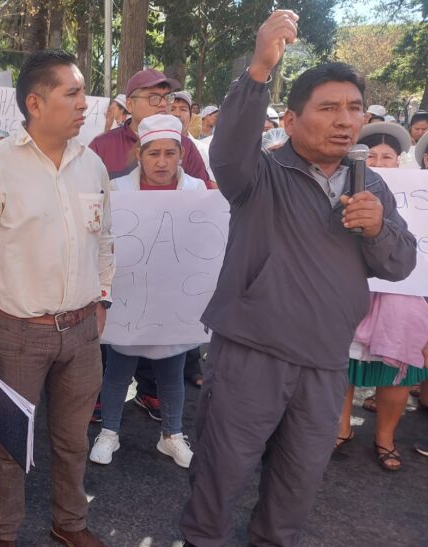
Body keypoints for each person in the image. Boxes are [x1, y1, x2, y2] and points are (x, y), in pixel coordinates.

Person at [180, 11, 417, 547]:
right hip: (250, 357)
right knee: (221, 475)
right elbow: (228, 147)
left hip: (325, 365)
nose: (345, 120)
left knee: (296, 486)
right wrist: (260, 67)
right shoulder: (259, 172)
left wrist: (377, 228)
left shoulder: (371, 185)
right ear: (289, 120)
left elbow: (400, 264)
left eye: (354, 108)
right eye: (328, 107)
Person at [0, 49, 114, 547]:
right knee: (8, 445)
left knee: (72, 442)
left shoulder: (92, 166)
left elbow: (104, 240)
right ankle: (4, 535)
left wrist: (102, 301)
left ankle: (69, 525)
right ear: (36, 103)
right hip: (17, 335)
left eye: (83, 91)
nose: (85, 103)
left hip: (83, 333)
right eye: (73, 92)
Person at [89, 114, 204, 469]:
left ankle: (171, 435)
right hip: (127, 293)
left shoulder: (197, 192)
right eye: (154, 154)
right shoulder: (118, 189)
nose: (162, 161)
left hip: (174, 298)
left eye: (170, 153)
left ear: (181, 155)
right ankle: (109, 431)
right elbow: (100, 238)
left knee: (171, 368)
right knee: (119, 367)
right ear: (140, 154)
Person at [334, 122, 428, 471]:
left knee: (397, 369)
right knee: (342, 363)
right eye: (370, 155)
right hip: (357, 292)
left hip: (404, 298)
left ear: (398, 160)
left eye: (386, 156)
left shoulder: (419, 192)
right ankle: (340, 428)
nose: (378, 161)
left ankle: (385, 437)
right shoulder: (345, 186)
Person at [88, 68, 210, 184]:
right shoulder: (102, 146)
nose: (163, 104)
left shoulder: (186, 146)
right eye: (154, 97)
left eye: (167, 97)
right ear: (130, 105)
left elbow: (202, 197)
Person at [170, 90, 214, 184]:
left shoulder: (205, 150)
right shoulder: (150, 147)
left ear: (190, 117)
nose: (177, 114)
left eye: (183, 109)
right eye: (172, 109)